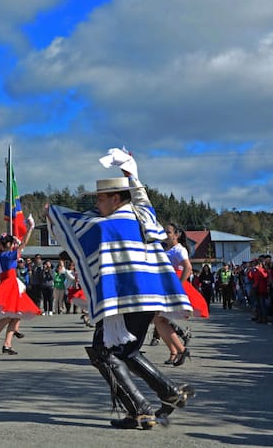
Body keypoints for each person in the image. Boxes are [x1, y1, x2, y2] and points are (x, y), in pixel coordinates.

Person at [48, 171, 195, 430]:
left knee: (103, 352)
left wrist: (54, 212)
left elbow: (78, 227)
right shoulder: (143, 217)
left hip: (127, 297)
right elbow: (142, 199)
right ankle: (169, 392)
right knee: (127, 351)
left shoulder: (107, 225)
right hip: (148, 294)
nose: (96, 204)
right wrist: (132, 174)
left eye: (101, 198)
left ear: (116, 198)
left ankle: (140, 409)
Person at [0, 225, 39, 355]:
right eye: (11, 242)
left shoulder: (0, 256)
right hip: (10, 284)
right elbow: (24, 243)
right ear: (8, 244)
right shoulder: (9, 255)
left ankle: (0, 344)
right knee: (11, 317)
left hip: (8, 284)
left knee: (14, 316)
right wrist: (30, 228)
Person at [153, 223, 207, 367]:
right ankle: (175, 351)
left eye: (168, 232)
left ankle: (181, 350)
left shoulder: (179, 249)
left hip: (172, 285)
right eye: (165, 232)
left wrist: (177, 286)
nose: (165, 234)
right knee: (160, 320)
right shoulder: (167, 249)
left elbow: (188, 267)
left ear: (176, 235)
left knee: (159, 320)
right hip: (165, 284)